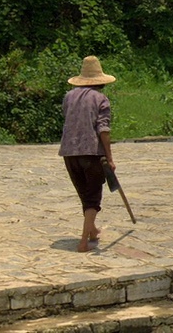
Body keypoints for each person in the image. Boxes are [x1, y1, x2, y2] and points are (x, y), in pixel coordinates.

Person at [59, 56, 116, 252]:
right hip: (91, 153)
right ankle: (84, 241)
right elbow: (103, 130)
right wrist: (109, 157)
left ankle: (91, 230)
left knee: (84, 192)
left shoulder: (69, 97)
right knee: (92, 196)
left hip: (69, 152)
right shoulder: (101, 99)